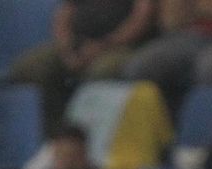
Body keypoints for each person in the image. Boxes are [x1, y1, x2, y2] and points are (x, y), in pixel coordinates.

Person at [10, 0, 156, 136]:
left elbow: (142, 17)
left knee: (101, 73)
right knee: (31, 68)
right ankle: (57, 141)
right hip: (77, 44)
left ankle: (90, 144)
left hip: (123, 47)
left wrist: (104, 46)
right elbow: (64, 13)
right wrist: (66, 48)